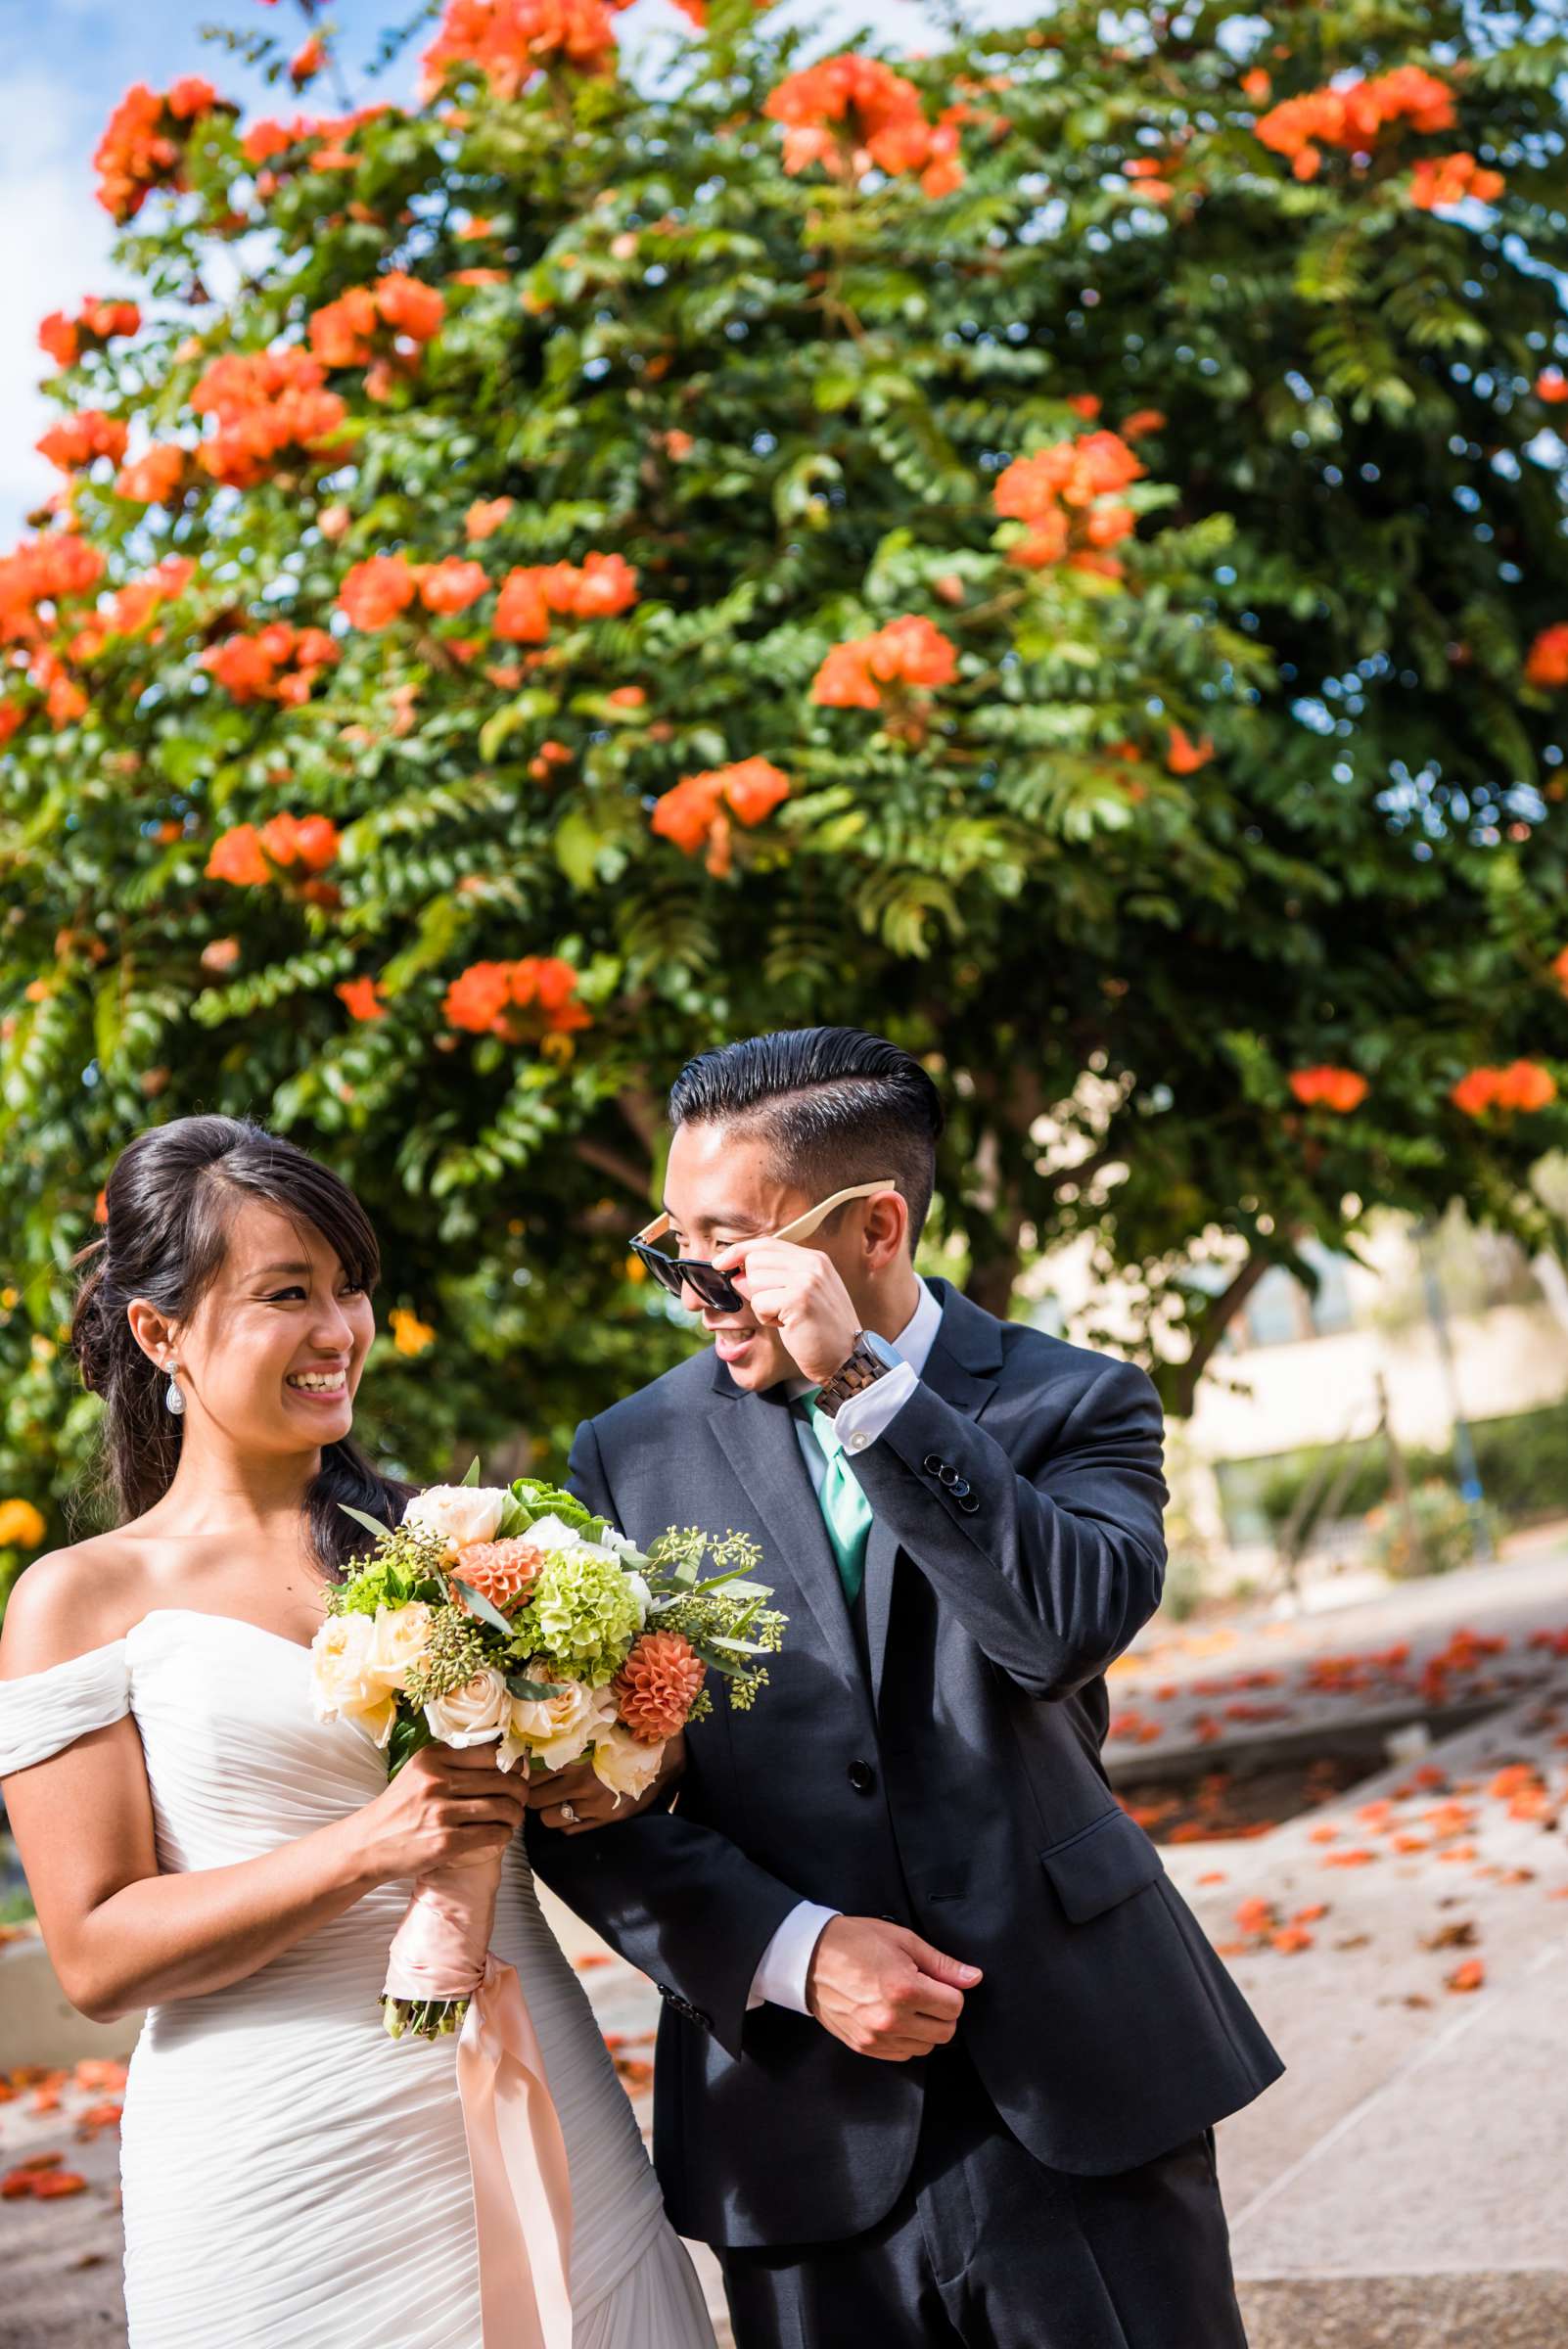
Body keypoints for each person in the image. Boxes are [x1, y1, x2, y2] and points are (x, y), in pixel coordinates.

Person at [527, 1026, 1283, 2349]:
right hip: (796, 2125)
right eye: (670, 1245)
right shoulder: (626, 1457)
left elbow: (1055, 1632)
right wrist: (791, 1951)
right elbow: (577, 1788)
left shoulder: (1075, 1402)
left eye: (729, 1249)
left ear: (873, 1227)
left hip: (1078, 2086)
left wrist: (864, 1390)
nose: (692, 1288)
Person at [0, 1116, 713, 2349]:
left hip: (526, 2071)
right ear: (158, 1331)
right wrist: (369, 1844)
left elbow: (591, 1798)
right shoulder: (80, 1598)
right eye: (287, 1293)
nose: (338, 1333)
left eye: (350, 1288)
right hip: (272, 2157)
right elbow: (96, 1954)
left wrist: (622, 1764)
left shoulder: (459, 1546)